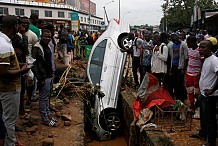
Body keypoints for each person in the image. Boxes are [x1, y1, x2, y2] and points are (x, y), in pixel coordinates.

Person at [0, 15, 29, 146]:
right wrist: (22, 70)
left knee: (5, 118)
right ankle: (10, 143)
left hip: (6, 88)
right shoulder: (4, 45)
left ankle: (9, 140)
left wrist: (19, 64)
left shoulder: (4, 41)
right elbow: (4, 72)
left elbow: (5, 66)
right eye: (18, 25)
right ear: (15, 26)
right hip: (9, 89)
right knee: (10, 119)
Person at [31, 29, 56, 126]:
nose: (47, 38)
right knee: (43, 97)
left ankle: (48, 114)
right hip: (43, 77)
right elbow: (34, 64)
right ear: (41, 36)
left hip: (49, 75)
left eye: (49, 37)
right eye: (45, 36)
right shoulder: (37, 48)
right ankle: (44, 118)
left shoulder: (49, 46)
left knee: (47, 96)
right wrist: (40, 78)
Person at [198, 40, 218, 146]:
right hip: (203, 94)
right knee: (203, 117)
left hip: (210, 96)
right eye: (200, 47)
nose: (200, 49)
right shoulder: (206, 59)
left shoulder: (214, 60)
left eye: (203, 47)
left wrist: (212, 90)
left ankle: (211, 142)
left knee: (210, 119)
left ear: (210, 48)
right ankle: (203, 133)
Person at [167, 34, 188, 102]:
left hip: (180, 67)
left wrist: (184, 69)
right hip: (174, 66)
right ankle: (176, 96)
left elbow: (186, 57)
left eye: (176, 40)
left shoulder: (183, 45)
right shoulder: (173, 45)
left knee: (180, 83)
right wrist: (170, 67)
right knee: (174, 82)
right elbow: (172, 57)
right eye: (174, 41)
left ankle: (181, 97)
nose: (175, 42)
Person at [185, 36, 202, 110]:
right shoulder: (189, 49)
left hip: (196, 74)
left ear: (193, 43)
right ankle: (192, 104)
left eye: (188, 43)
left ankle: (197, 104)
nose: (187, 44)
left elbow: (203, 62)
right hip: (189, 73)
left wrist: (200, 72)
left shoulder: (199, 51)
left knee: (197, 91)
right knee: (189, 90)